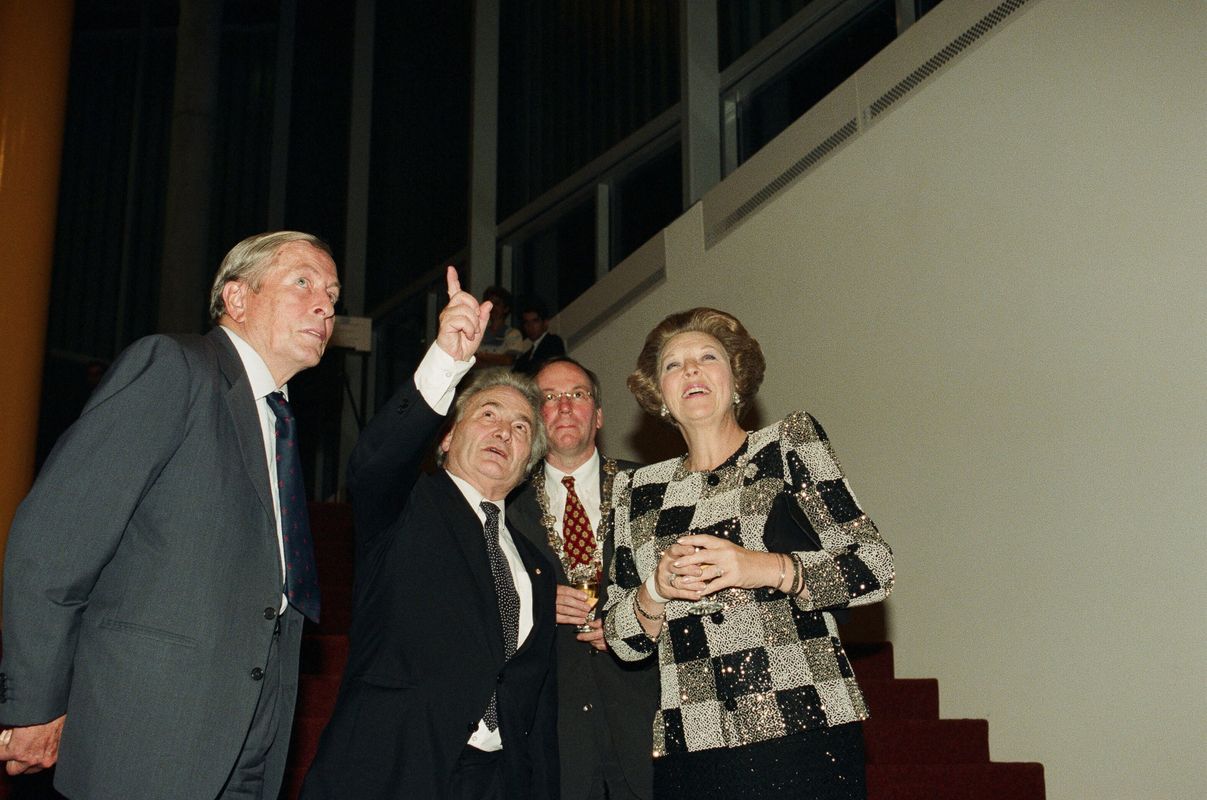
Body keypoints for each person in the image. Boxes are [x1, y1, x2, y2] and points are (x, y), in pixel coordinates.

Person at [0, 231, 340, 799]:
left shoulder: (276, 419)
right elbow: (54, 544)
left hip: (251, 726)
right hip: (149, 732)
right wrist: (35, 703)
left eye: (331, 294)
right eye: (303, 282)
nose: (325, 306)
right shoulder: (174, 368)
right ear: (238, 298)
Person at [601, 308, 894, 799]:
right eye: (673, 365)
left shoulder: (786, 445)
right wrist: (655, 589)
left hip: (801, 724)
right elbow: (621, 639)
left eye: (707, 357)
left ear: (736, 378)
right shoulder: (637, 490)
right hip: (691, 742)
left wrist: (762, 567)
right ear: (660, 396)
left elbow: (875, 568)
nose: (690, 371)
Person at [301, 268, 558, 800]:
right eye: (488, 414)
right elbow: (375, 462)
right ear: (445, 439)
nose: (503, 431)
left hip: (495, 782)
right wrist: (446, 359)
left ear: (528, 466)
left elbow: (534, 704)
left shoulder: (537, 565)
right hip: (390, 769)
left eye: (520, 428)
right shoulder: (405, 506)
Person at [508, 357, 658, 799]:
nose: (564, 406)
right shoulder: (505, 504)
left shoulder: (650, 489)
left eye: (577, 394)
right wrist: (534, 599)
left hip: (646, 716)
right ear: (534, 417)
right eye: (549, 397)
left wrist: (637, 621)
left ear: (599, 415)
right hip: (554, 734)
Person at [475, 286, 526, 367]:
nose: (493, 308)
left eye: (497, 304)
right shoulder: (478, 332)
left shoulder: (513, 334)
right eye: (490, 304)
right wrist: (495, 360)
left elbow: (508, 360)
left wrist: (482, 356)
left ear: (506, 308)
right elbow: (471, 362)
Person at [511, 299, 566, 375]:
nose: (530, 326)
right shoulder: (525, 357)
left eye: (535, 321)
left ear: (545, 323)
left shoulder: (553, 342)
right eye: (526, 322)